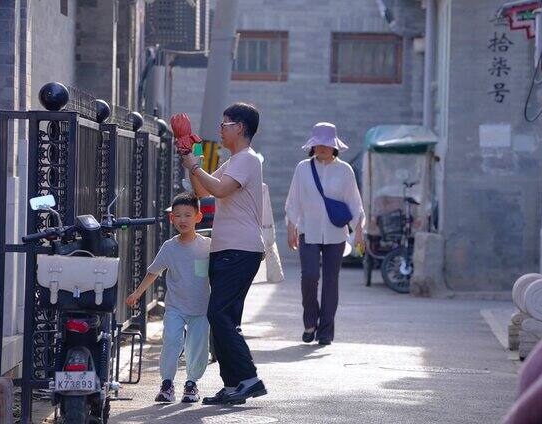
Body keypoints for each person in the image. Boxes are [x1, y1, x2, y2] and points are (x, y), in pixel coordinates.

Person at [181, 103, 267, 405]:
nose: (220, 129)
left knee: (218, 314)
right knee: (224, 318)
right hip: (227, 249)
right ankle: (233, 385)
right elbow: (202, 190)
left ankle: (248, 378)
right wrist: (187, 155)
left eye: (225, 123)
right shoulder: (233, 161)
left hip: (239, 249)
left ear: (240, 128)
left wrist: (194, 165)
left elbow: (219, 190)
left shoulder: (247, 160)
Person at [126, 193, 211, 404]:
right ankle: (166, 383)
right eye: (178, 216)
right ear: (172, 219)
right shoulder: (169, 247)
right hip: (175, 307)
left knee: (197, 347)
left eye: (188, 215)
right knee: (172, 341)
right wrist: (138, 292)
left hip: (201, 307)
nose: (183, 220)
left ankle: (191, 383)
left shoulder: (207, 245)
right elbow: (153, 272)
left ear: (198, 217)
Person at [285, 122, 364, 346]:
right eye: (318, 144)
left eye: (327, 144)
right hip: (307, 230)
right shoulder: (302, 168)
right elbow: (293, 199)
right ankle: (310, 322)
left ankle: (326, 331)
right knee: (309, 277)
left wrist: (359, 231)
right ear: (312, 145)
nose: (322, 148)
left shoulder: (345, 170)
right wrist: (291, 226)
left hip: (336, 234)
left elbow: (354, 203)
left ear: (335, 146)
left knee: (331, 282)